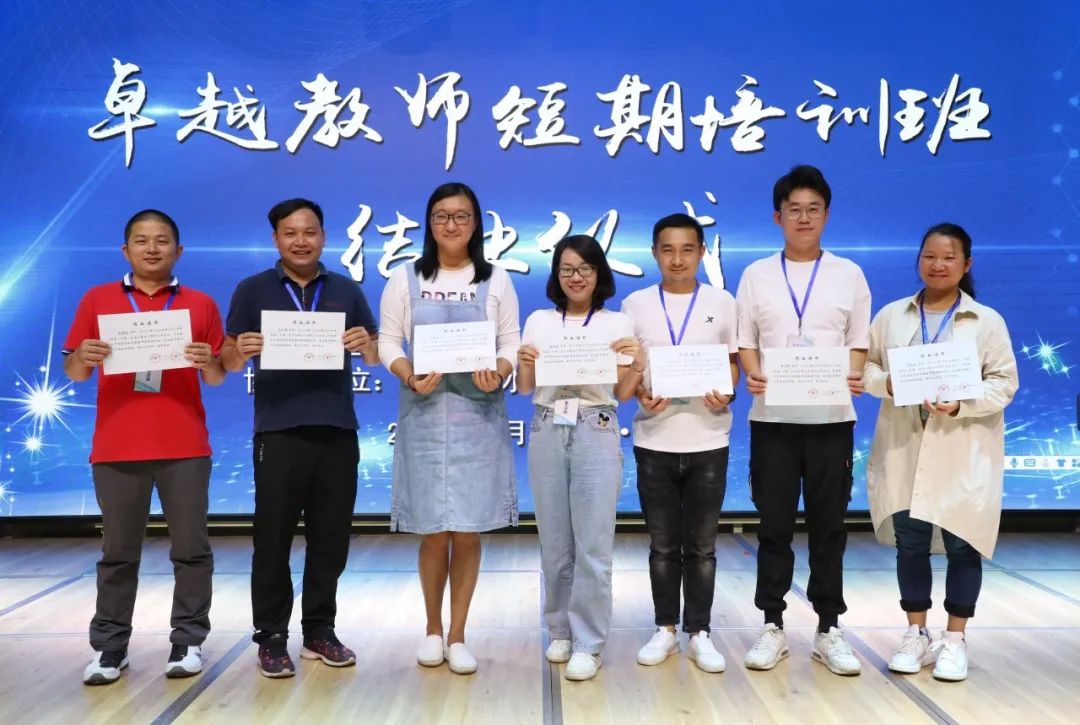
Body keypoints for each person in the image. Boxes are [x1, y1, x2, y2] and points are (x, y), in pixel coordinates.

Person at [64, 209, 226, 685]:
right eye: (141, 240)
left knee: (191, 550)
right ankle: (110, 648)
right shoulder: (97, 299)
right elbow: (75, 372)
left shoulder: (200, 304)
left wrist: (208, 361)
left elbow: (217, 377)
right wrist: (82, 355)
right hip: (117, 447)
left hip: (185, 446)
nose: (152, 248)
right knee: (117, 554)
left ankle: (188, 641)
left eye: (162, 240)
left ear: (179, 250)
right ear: (125, 250)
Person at [221, 198, 378, 678]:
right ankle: (271, 636)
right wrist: (240, 350)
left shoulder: (346, 289)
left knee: (331, 539)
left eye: (310, 232)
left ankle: (319, 630)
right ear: (276, 239)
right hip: (278, 431)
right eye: (290, 233)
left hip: (336, 430)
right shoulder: (252, 290)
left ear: (324, 237)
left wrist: (366, 345)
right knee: (272, 540)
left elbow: (374, 355)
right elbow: (228, 360)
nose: (301, 241)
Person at [865, 223, 1018, 682]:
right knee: (910, 545)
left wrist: (961, 403)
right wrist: (890, 383)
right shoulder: (892, 316)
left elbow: (1004, 383)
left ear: (966, 264)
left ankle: (955, 639)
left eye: (949, 257)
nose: (938, 264)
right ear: (919, 261)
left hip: (962, 450)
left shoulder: (986, 321)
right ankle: (916, 633)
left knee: (962, 544)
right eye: (930, 256)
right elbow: (867, 368)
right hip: (905, 446)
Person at [378, 182, 520, 675]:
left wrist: (499, 370)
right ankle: (432, 629)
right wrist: (407, 374)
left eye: (461, 216)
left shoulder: (496, 278)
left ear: (476, 223)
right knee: (433, 530)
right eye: (441, 215)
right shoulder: (405, 277)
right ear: (429, 223)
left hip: (477, 415)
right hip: (423, 412)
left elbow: (510, 340)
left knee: (468, 528)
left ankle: (459, 634)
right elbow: (388, 340)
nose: (451, 224)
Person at [736, 165, 871, 676]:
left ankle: (828, 627)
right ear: (778, 217)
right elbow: (745, 340)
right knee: (773, 527)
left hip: (831, 420)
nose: (804, 218)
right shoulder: (756, 274)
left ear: (826, 215)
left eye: (814, 209)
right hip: (772, 420)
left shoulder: (849, 274)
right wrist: (753, 373)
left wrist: (852, 374)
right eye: (794, 209)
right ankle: (772, 623)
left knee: (828, 528)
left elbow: (858, 341)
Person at [516, 234, 638, 681]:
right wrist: (525, 362)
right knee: (554, 540)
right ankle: (560, 628)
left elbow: (623, 393)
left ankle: (589, 641)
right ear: (556, 275)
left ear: (598, 273)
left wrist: (637, 363)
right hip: (548, 424)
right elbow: (525, 388)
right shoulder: (539, 321)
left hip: (596, 425)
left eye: (585, 268)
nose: (576, 277)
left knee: (593, 542)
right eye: (567, 269)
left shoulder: (617, 323)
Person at [621, 213, 738, 675]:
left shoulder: (722, 302)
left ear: (701, 253)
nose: (677, 259)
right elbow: (627, 372)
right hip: (655, 438)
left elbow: (733, 363)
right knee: (663, 546)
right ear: (654, 253)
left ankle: (700, 632)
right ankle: (665, 628)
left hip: (709, 437)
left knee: (703, 547)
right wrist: (640, 393)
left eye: (687, 249)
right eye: (667, 250)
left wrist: (727, 390)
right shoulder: (634, 304)